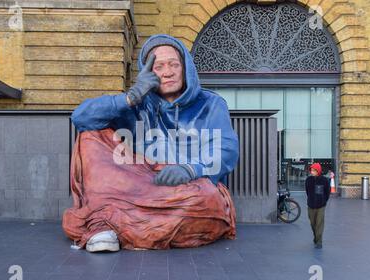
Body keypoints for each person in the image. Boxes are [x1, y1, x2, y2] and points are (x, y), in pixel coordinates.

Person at [62, 34, 239, 252]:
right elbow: (80, 118)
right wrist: (130, 97)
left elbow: (226, 149)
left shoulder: (211, 104)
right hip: (142, 185)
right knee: (90, 136)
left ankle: (112, 225)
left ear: (186, 68)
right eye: (159, 66)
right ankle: (131, 226)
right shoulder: (136, 104)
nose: (167, 72)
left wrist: (192, 169)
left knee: (209, 198)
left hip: (188, 188)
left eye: (174, 64)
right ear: (147, 72)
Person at [305, 163, 330, 249]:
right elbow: (307, 191)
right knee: (313, 223)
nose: (312, 172)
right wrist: (310, 199)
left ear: (318, 171)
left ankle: (319, 242)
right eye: (311, 170)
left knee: (319, 223)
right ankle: (316, 237)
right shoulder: (308, 180)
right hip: (310, 205)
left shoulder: (324, 180)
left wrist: (323, 201)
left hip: (321, 206)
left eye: (314, 170)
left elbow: (327, 192)